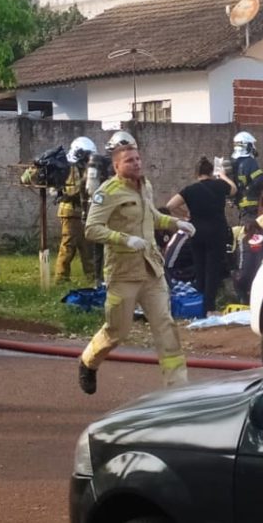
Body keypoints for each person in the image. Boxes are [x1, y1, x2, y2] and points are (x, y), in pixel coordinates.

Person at [78, 143, 196, 395]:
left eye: (138, 158)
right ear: (116, 166)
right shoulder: (107, 192)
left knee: (165, 326)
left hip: (151, 270)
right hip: (123, 273)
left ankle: (177, 390)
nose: (136, 163)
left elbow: (151, 216)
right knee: (117, 331)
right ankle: (89, 361)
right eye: (130, 160)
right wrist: (124, 239)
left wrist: (176, 223)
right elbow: (91, 229)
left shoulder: (146, 186)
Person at [166, 157, 236, 313]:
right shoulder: (219, 185)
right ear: (211, 172)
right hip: (217, 232)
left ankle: (199, 303)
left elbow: (170, 205)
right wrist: (223, 176)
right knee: (213, 269)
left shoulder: (190, 190)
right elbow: (233, 189)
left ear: (196, 173)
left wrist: (186, 215)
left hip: (196, 232)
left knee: (200, 267)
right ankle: (209, 307)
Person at [84, 130, 136, 283]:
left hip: (120, 211)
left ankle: (106, 279)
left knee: (116, 247)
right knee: (103, 247)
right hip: (107, 211)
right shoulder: (99, 162)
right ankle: (101, 280)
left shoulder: (121, 165)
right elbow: (91, 190)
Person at [55, 137, 97, 282]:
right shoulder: (69, 168)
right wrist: (85, 183)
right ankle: (61, 278)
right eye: (87, 155)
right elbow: (71, 190)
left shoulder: (85, 168)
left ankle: (92, 277)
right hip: (70, 213)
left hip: (83, 212)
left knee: (87, 246)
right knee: (68, 246)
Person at [231, 131, 263, 223]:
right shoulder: (250, 162)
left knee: (245, 229)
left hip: (241, 204)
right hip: (251, 204)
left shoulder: (235, 163)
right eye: (252, 144)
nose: (254, 147)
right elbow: (260, 180)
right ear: (247, 146)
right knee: (252, 231)